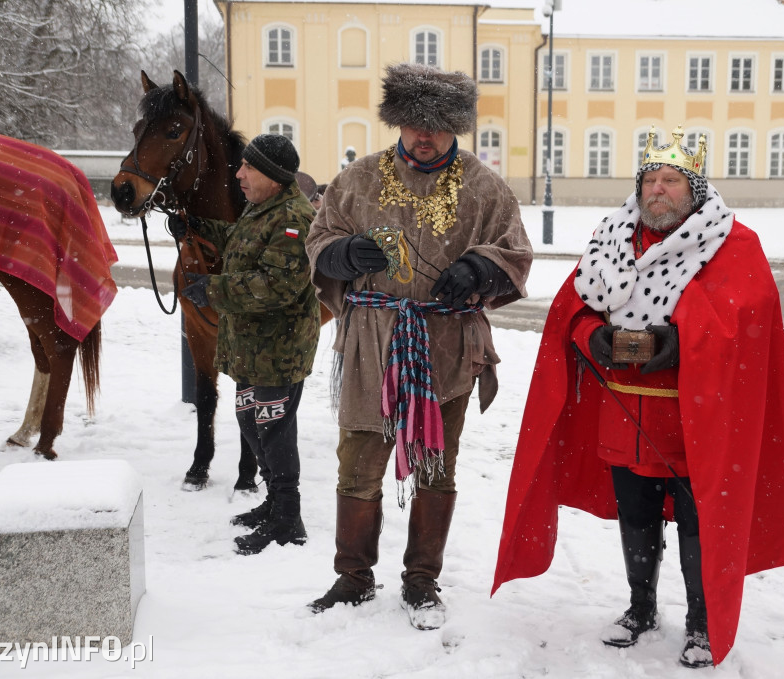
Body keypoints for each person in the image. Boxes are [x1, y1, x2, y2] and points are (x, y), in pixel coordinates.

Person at [491, 126, 784, 667]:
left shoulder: (732, 242)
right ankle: (640, 607)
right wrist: (588, 334)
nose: (657, 190)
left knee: (697, 520)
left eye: (671, 180)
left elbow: (746, 319)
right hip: (623, 409)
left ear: (695, 189)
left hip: (695, 418)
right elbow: (574, 307)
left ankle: (701, 622)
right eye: (650, 180)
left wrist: (682, 341)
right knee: (635, 513)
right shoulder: (613, 237)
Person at [305, 63, 533, 630]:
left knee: (436, 464)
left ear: (455, 126)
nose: (423, 135)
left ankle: (422, 578)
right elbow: (318, 240)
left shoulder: (484, 186)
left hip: (447, 346)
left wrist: (481, 269)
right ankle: (353, 575)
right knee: (358, 464)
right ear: (398, 122)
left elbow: (516, 251)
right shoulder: (357, 179)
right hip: (370, 345)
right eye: (412, 123)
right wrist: (342, 254)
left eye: (435, 125)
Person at [169, 134, 321, 556]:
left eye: (249, 167)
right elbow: (239, 238)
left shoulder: (294, 219)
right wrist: (198, 227)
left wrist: (212, 290)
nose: (239, 174)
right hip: (251, 348)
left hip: (278, 352)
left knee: (274, 431)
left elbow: (276, 286)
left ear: (272, 175)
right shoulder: (263, 208)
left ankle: (288, 518)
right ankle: (273, 502)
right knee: (251, 424)